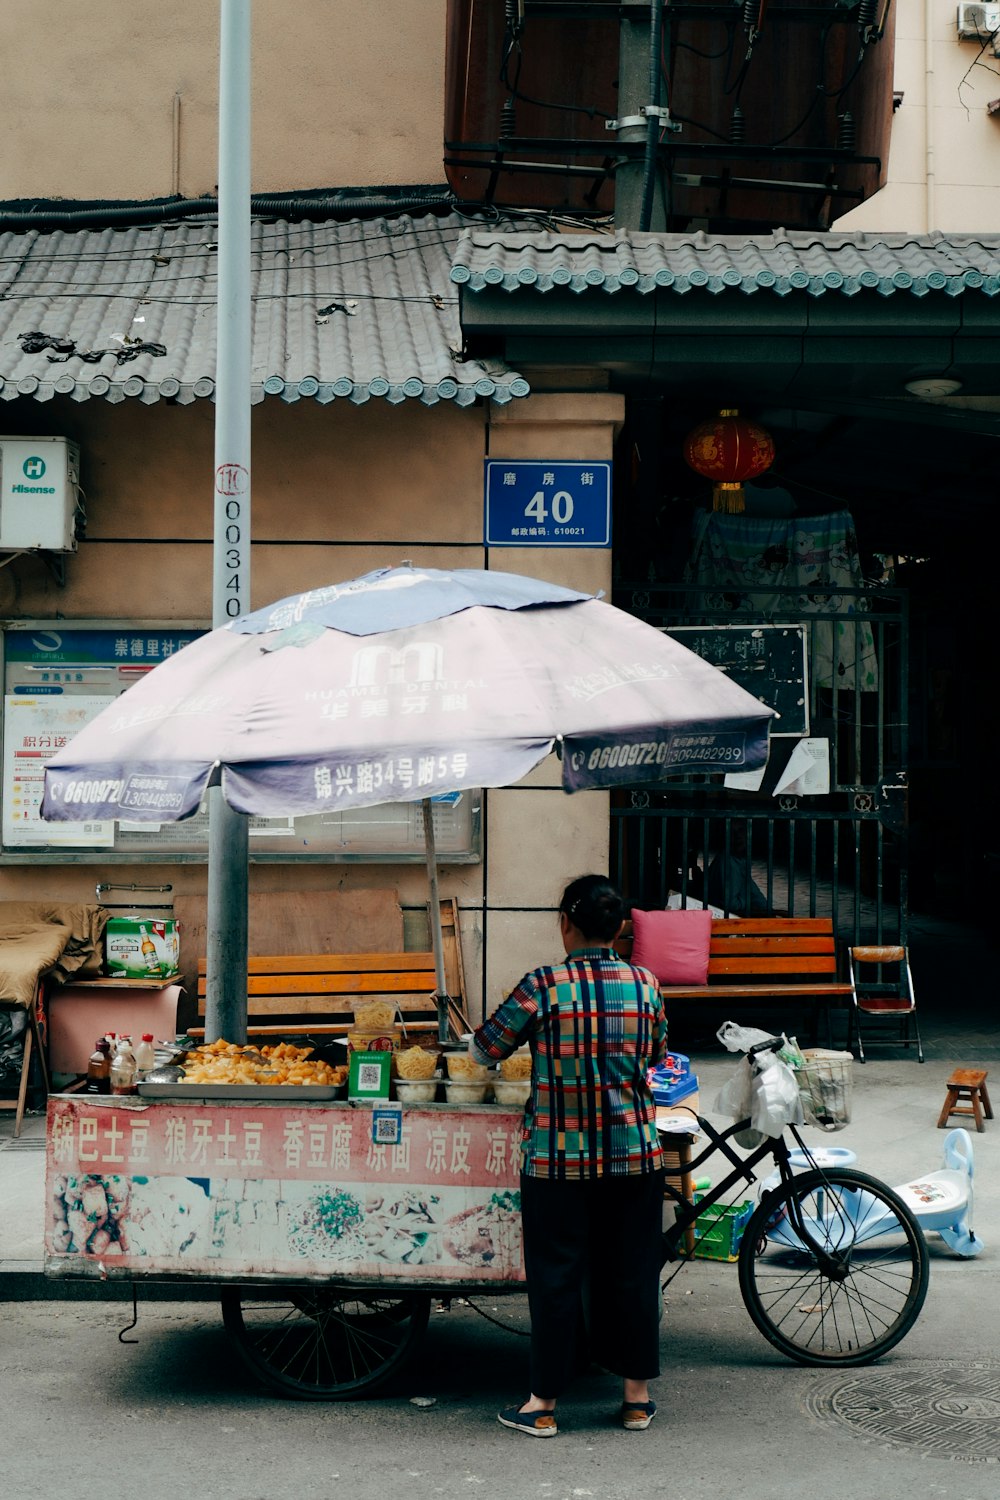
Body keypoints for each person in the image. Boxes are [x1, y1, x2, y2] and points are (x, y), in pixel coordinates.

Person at [471, 874, 668, 1437]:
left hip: (559, 1161)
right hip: (634, 1156)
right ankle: (635, 1399)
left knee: (556, 1278)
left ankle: (543, 1405)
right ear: (620, 928)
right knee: (631, 1273)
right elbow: (656, 1052)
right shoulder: (647, 984)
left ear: (565, 924)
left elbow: (486, 1049)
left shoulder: (543, 985)